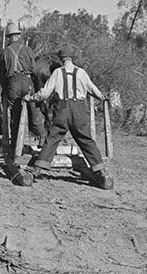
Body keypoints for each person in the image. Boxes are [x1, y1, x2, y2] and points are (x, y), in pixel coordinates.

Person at [17, 45, 114, 190]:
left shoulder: (57, 73)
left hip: (62, 110)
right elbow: (93, 90)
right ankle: (101, 171)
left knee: (52, 139)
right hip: (79, 111)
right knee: (86, 140)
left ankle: (36, 170)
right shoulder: (81, 73)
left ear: (61, 59)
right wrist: (103, 97)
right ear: (72, 58)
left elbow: (44, 94)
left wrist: (31, 98)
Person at [0, 22, 38, 179]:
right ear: (19, 36)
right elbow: (35, 70)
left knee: (15, 118)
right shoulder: (28, 50)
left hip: (13, 83)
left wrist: (6, 89)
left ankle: (16, 147)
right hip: (27, 82)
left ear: (9, 37)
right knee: (33, 113)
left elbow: (2, 75)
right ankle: (41, 142)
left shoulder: (6, 51)